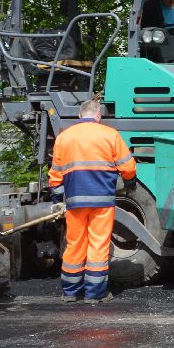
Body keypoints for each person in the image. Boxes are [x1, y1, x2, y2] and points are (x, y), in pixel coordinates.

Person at [48, 97, 137, 303]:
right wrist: (130, 182)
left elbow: (55, 173)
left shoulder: (64, 137)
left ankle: (70, 293)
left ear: (80, 115)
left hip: (75, 202)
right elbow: (128, 166)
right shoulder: (110, 135)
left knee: (75, 244)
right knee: (98, 244)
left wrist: (57, 195)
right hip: (102, 201)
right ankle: (95, 294)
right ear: (98, 116)